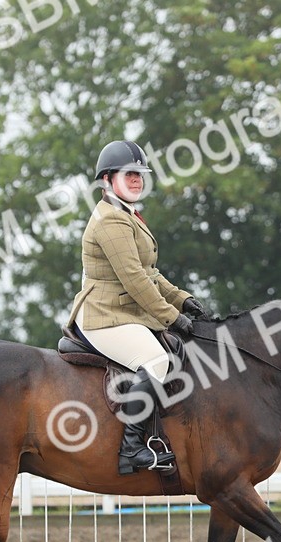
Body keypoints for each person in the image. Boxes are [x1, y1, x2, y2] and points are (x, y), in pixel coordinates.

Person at [65, 140, 204, 474]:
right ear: (107, 179)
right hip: (104, 316)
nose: (137, 180)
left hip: (125, 312)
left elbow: (150, 274)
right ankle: (131, 449)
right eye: (129, 174)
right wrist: (173, 318)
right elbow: (135, 280)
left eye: (140, 174)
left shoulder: (128, 215)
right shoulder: (111, 221)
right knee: (157, 361)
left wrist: (182, 298)